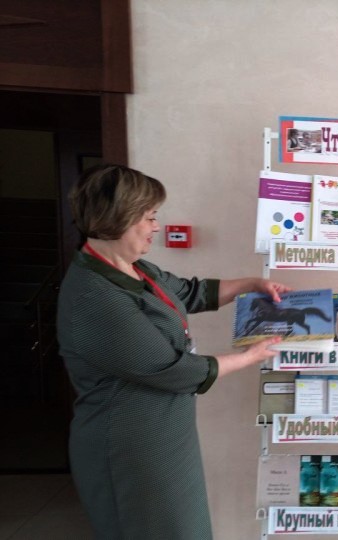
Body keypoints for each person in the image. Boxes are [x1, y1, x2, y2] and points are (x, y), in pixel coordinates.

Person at [57, 164, 291, 539]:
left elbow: (188, 292)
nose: (156, 226)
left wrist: (251, 284)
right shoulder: (94, 296)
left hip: (164, 434)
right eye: (149, 217)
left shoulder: (133, 269)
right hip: (130, 444)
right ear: (119, 217)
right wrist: (251, 355)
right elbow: (172, 369)